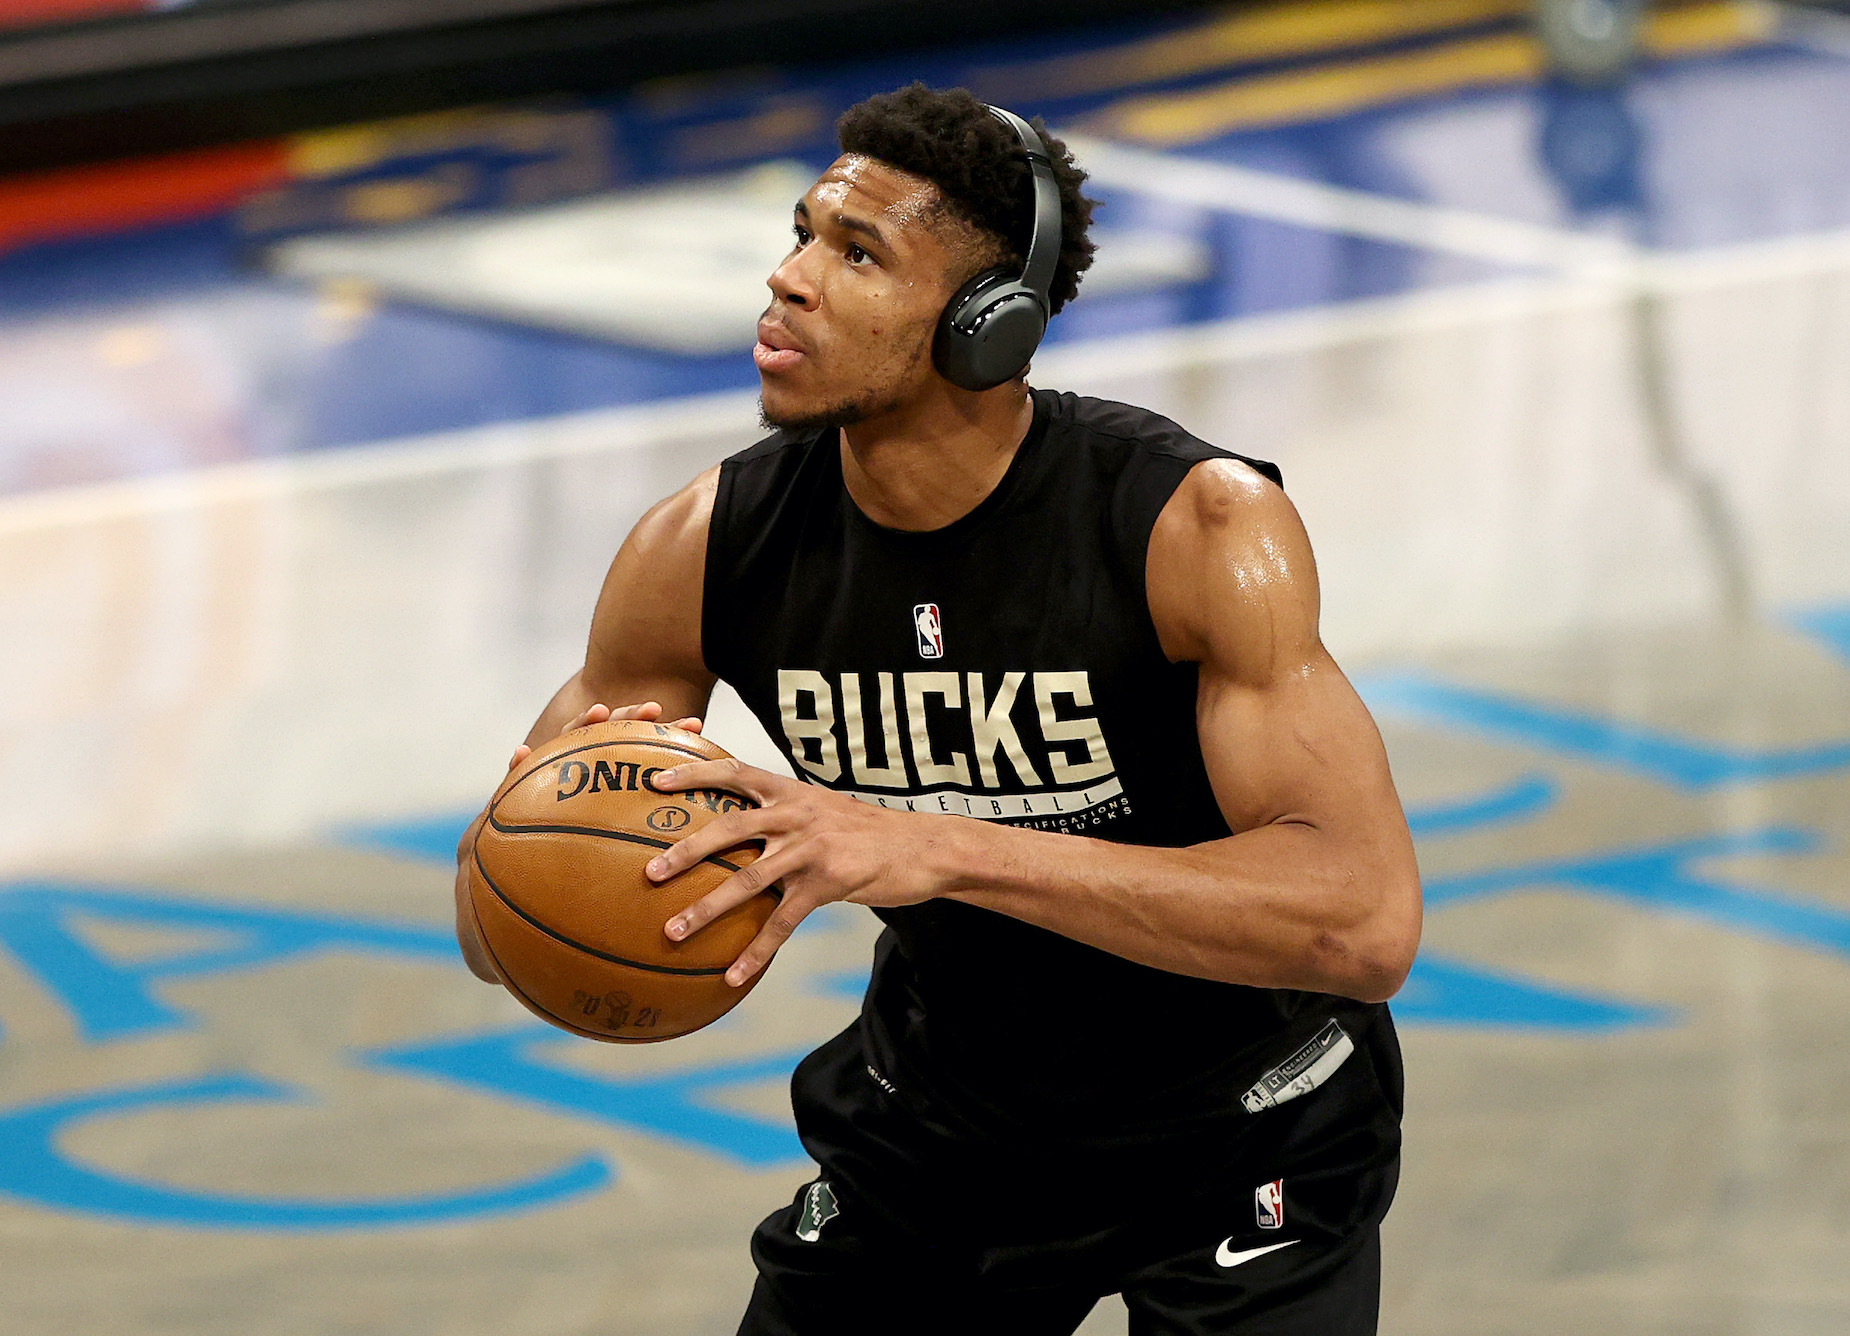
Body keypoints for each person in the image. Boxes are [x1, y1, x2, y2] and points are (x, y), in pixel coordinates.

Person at [453, 83, 1421, 1336]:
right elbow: (493, 925)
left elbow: (1361, 923)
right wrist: (541, 844)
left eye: (856, 254)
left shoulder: (1194, 529)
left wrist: (928, 847)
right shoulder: (702, 547)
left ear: (987, 323)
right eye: (802, 233)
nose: (790, 278)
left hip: (1244, 1128)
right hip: (940, 1128)